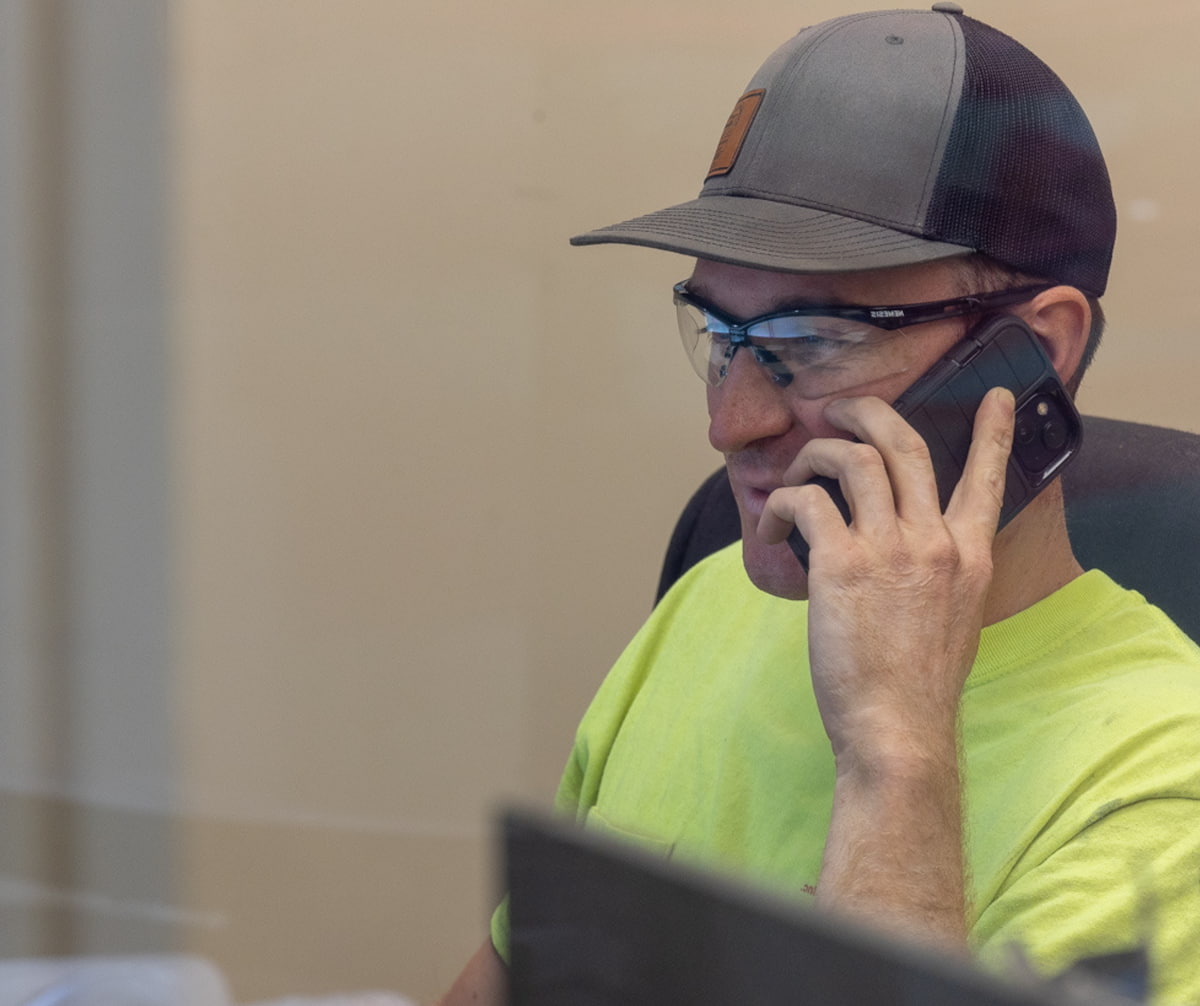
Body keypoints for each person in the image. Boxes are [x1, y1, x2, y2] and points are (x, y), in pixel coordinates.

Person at [439, 5, 1200, 1004]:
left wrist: (895, 752)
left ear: (1037, 351)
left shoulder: (1162, 784)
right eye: (719, 335)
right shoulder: (715, 599)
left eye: (812, 341)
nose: (732, 425)